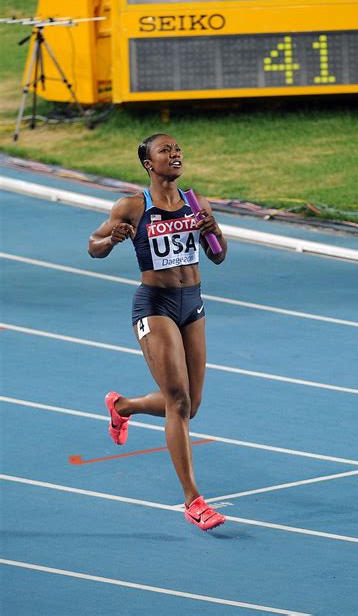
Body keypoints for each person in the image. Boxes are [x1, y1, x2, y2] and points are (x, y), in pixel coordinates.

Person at [88, 133, 228, 530]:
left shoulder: (196, 200)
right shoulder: (132, 206)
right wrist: (111, 240)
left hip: (193, 303)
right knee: (178, 401)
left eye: (178, 149)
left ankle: (122, 407)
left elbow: (218, 256)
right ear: (149, 163)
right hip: (155, 305)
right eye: (165, 151)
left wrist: (213, 230)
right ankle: (193, 501)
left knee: (190, 405)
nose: (175, 154)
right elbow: (92, 245)